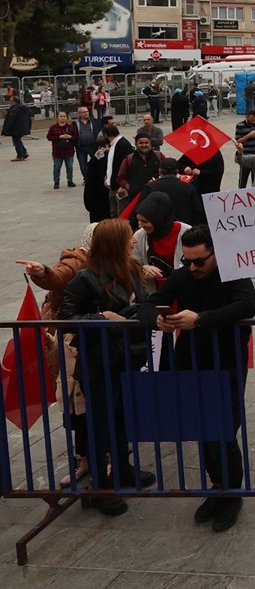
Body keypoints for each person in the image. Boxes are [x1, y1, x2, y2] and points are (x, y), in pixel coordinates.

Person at [139, 224, 255, 532]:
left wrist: (200, 320)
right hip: (190, 362)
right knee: (202, 429)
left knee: (224, 430)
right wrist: (159, 320)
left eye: (199, 261)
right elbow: (147, 305)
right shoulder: (183, 276)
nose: (193, 267)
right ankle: (216, 488)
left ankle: (232, 494)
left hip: (227, 363)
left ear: (216, 255)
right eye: (187, 261)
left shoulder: (234, 273)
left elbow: (245, 305)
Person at [59, 219, 156, 515]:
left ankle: (123, 470)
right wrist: (102, 317)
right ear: (115, 243)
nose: (133, 242)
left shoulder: (132, 270)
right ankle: (100, 487)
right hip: (98, 362)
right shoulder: (86, 279)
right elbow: (65, 318)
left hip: (127, 357)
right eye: (128, 238)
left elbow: (146, 302)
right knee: (100, 423)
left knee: (123, 416)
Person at [18, 223, 95, 487]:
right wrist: (43, 272)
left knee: (96, 403)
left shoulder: (113, 261)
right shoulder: (79, 259)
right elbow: (59, 276)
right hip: (70, 342)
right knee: (76, 402)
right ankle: (84, 458)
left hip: (94, 343)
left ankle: (105, 455)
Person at [132, 193, 190, 285]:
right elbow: (132, 264)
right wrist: (143, 269)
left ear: (158, 218)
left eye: (145, 221)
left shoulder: (185, 232)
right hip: (154, 292)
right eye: (138, 220)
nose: (140, 225)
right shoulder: (139, 236)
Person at [138, 158, 205, 226]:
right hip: (183, 229)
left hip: (158, 228)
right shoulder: (189, 188)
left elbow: (140, 210)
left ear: (159, 171)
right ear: (177, 171)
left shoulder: (150, 187)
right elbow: (198, 211)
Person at [116, 135, 163, 207]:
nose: (144, 145)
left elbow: (166, 172)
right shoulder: (129, 159)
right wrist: (129, 187)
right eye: (141, 143)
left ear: (150, 143)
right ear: (135, 144)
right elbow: (121, 177)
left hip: (156, 196)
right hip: (135, 198)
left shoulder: (159, 156)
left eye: (146, 142)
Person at [47, 110, 80, 189]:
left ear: (67, 118)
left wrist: (70, 137)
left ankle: (70, 181)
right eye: (61, 116)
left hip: (69, 151)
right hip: (57, 152)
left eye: (64, 116)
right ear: (57, 118)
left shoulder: (70, 127)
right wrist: (59, 137)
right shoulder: (53, 127)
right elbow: (49, 137)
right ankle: (56, 182)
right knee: (57, 167)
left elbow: (76, 136)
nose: (63, 118)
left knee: (69, 167)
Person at [233, 110, 255, 189]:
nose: (254, 121)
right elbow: (238, 141)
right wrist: (249, 135)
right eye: (252, 119)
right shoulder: (240, 125)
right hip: (245, 156)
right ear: (247, 116)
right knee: (243, 180)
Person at [3, 93, 33, 161]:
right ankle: (24, 153)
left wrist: (6, 129)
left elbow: (11, 120)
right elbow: (30, 116)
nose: (10, 102)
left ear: (14, 101)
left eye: (11, 101)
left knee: (16, 142)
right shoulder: (23, 108)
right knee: (18, 141)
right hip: (22, 128)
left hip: (16, 129)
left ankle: (20, 155)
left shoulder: (14, 109)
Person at [76, 106, 102, 170]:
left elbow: (100, 132)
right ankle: (86, 179)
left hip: (94, 147)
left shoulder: (94, 121)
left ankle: (96, 179)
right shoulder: (75, 123)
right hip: (81, 148)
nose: (87, 113)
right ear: (79, 114)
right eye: (84, 112)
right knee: (83, 165)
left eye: (87, 111)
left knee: (97, 163)